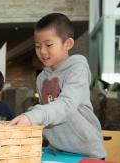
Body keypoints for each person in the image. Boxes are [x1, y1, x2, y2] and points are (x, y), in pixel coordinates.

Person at [9, 13, 106, 159]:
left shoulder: (77, 68)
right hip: (56, 151)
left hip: (86, 153)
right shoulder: (41, 78)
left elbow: (67, 104)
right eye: (37, 46)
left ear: (67, 44)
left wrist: (33, 116)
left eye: (48, 45)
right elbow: (47, 112)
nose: (42, 51)